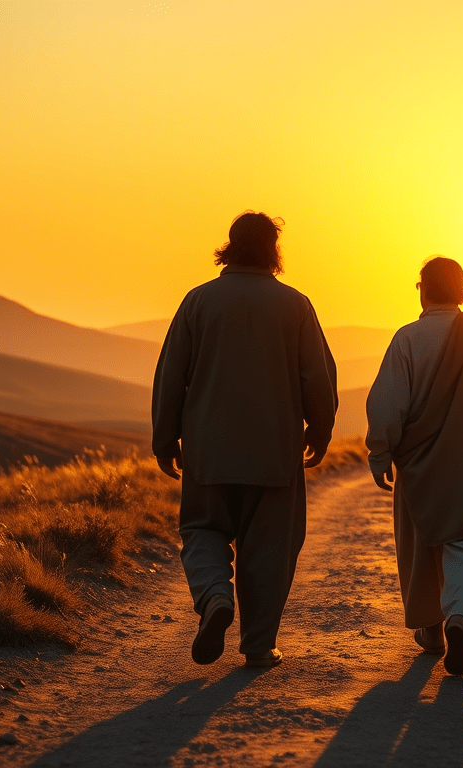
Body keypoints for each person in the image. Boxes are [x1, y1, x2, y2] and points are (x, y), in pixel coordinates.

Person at [152, 211, 338, 668]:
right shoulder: (295, 305)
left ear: (228, 247)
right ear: (274, 250)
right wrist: (320, 427)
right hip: (274, 453)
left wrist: (164, 436)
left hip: (208, 450)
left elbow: (171, 375)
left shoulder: (198, 301)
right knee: (271, 547)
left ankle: (215, 597)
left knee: (202, 530)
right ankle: (258, 644)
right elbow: (317, 376)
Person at [365, 257, 463, 676]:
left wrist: (381, 452)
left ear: (422, 288)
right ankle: (461, 619)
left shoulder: (406, 339)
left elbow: (386, 403)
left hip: (420, 466)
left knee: (424, 546)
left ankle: (433, 631)